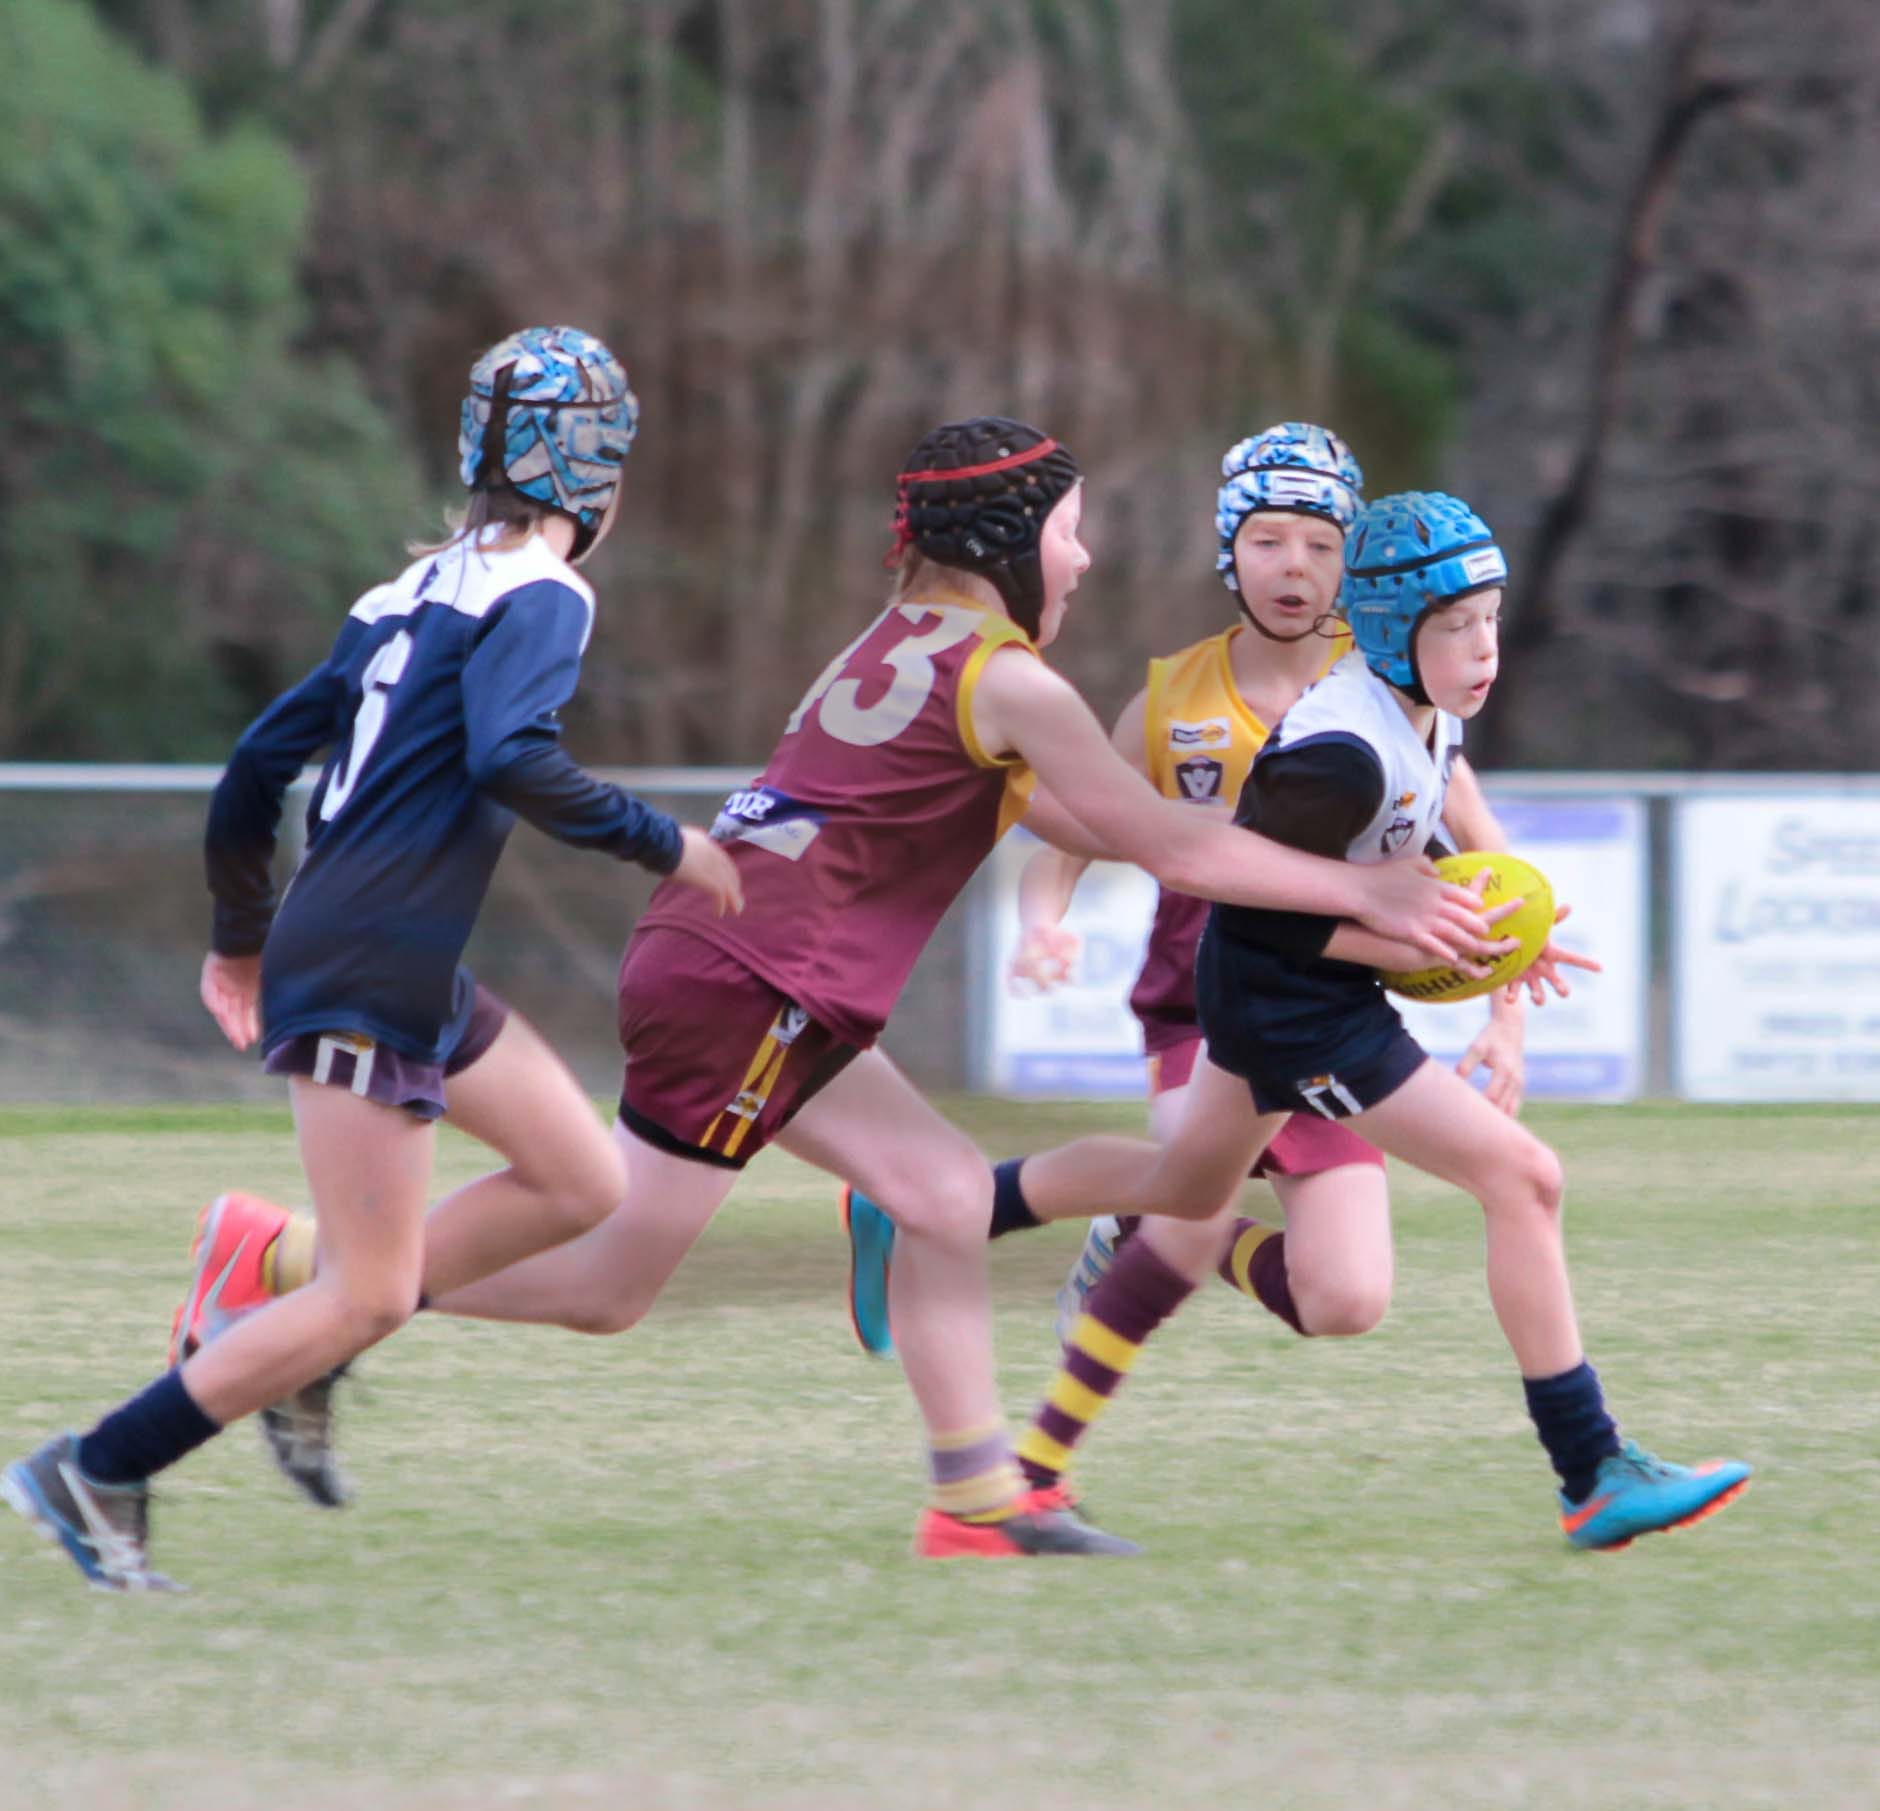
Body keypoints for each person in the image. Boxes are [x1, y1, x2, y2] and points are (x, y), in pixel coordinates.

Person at [160, 419, 1501, 1562]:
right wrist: (1366, 889)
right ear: (1011, 541)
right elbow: (1162, 841)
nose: (1083, 559)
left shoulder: (904, 633)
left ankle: (975, 1495)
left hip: (737, 964)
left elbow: (1078, 818)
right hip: (758, 984)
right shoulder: (1014, 678)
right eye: (1073, 532)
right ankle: (278, 1265)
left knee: (939, 1194)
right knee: (610, 1283)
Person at [865, 489, 1752, 1556]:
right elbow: (1252, 921)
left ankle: (927, 1203)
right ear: (1386, 628)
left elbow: (1392, 869)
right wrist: (1416, 948)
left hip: (1292, 999)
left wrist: (1490, 935)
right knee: (1522, 1176)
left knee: (1178, 1191)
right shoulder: (1337, 750)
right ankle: (1591, 1469)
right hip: (1296, 1011)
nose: (1482, 647)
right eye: (1453, 624)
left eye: (1491, 617)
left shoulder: (1424, 709)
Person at [2, 326, 744, 1591]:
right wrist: (662, 843)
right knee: (368, 1291)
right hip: (368, 958)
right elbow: (515, 753)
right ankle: (97, 1463)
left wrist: (242, 934)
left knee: (579, 1179)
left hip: (376, 950)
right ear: (593, 473)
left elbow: (251, 770)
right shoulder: (545, 590)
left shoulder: (398, 597)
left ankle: (292, 1325)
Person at [842, 424, 1546, 1362]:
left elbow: (1494, 871)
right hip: (1204, 997)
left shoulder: (1397, 693)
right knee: (1191, 1201)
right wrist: (1041, 918)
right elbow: (1095, 825)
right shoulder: (1172, 700)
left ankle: (1123, 1223)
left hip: (1328, 1007)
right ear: (1230, 550)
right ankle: (983, 1215)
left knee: (1342, 1299)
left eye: (1321, 543)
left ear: (1357, 566)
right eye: (1267, 539)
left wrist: (1507, 1016)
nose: (1294, 566)